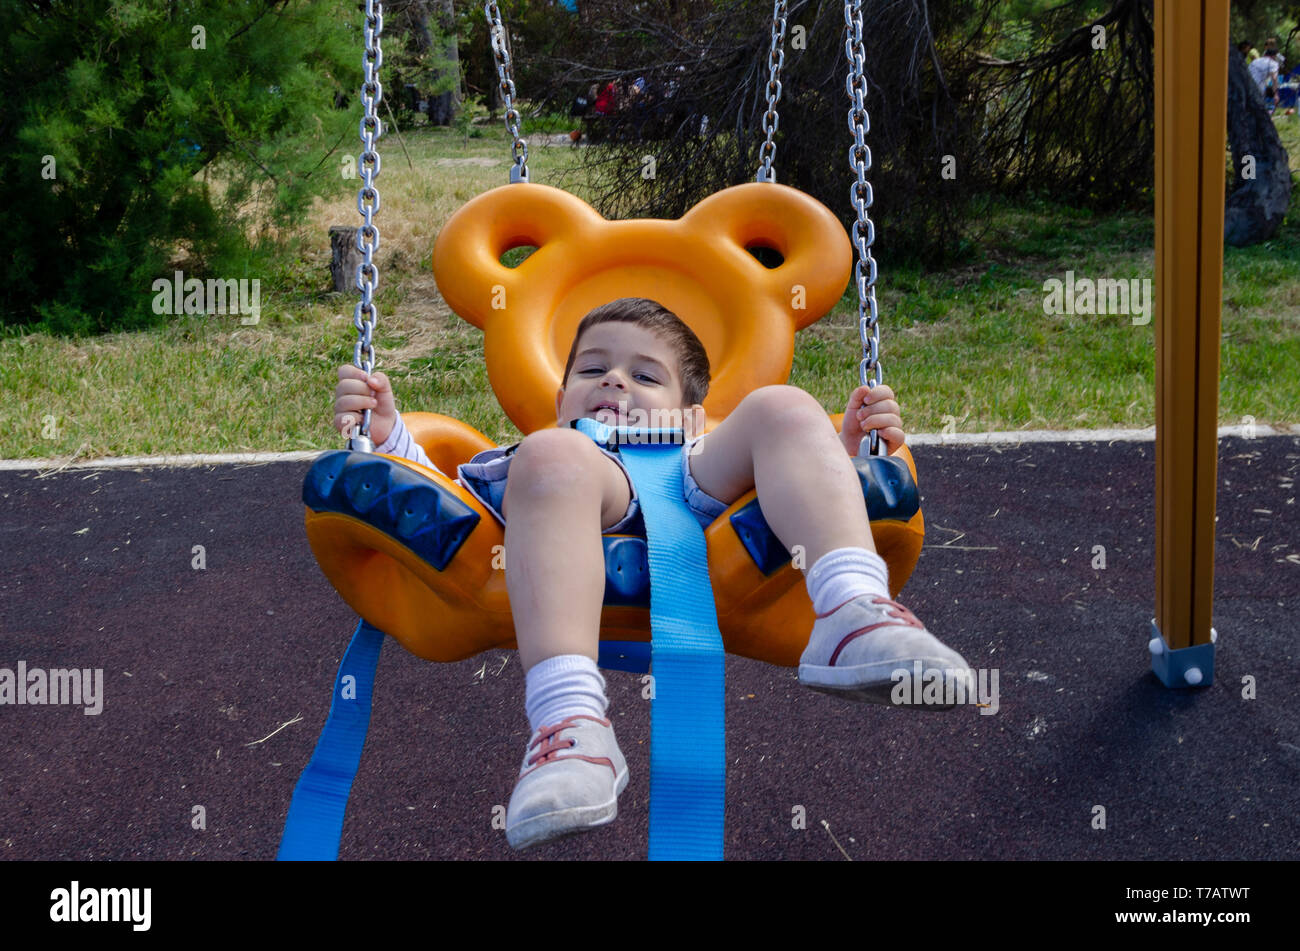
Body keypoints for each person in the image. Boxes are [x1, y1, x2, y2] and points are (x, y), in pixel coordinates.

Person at [331, 297, 973, 850]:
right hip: (574, 488)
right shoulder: (533, 457)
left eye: (645, 374)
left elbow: (798, 476)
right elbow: (439, 500)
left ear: (691, 411)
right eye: (592, 368)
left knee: (784, 405)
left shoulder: (705, 446)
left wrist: (854, 449)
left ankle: (852, 609)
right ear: (560, 400)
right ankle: (571, 726)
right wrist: (386, 438)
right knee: (556, 455)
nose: (614, 381)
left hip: (694, 486)